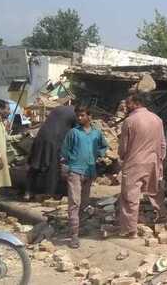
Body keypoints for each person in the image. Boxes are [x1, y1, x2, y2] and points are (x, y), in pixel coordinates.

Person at [118, 93, 166, 238]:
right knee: (155, 191)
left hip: (134, 163)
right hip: (153, 162)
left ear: (137, 103)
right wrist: (160, 160)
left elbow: (123, 148)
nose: (126, 106)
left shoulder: (130, 121)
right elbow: (162, 143)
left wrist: (121, 157)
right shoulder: (157, 119)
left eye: (128, 103)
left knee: (130, 197)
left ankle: (130, 229)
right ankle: (163, 218)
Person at [60, 106, 107, 248]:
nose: (79, 118)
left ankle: (82, 227)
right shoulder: (73, 133)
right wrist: (67, 164)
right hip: (75, 171)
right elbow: (64, 151)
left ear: (89, 116)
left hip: (90, 172)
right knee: (75, 202)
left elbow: (104, 147)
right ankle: (74, 235)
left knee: (85, 203)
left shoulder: (97, 134)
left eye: (82, 115)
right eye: (78, 116)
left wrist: (99, 156)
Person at [25, 105, 76, 200]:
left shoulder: (58, 108)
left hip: (40, 136)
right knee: (53, 168)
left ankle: (28, 192)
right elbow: (77, 132)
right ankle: (49, 194)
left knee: (35, 164)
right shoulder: (76, 114)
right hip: (54, 140)